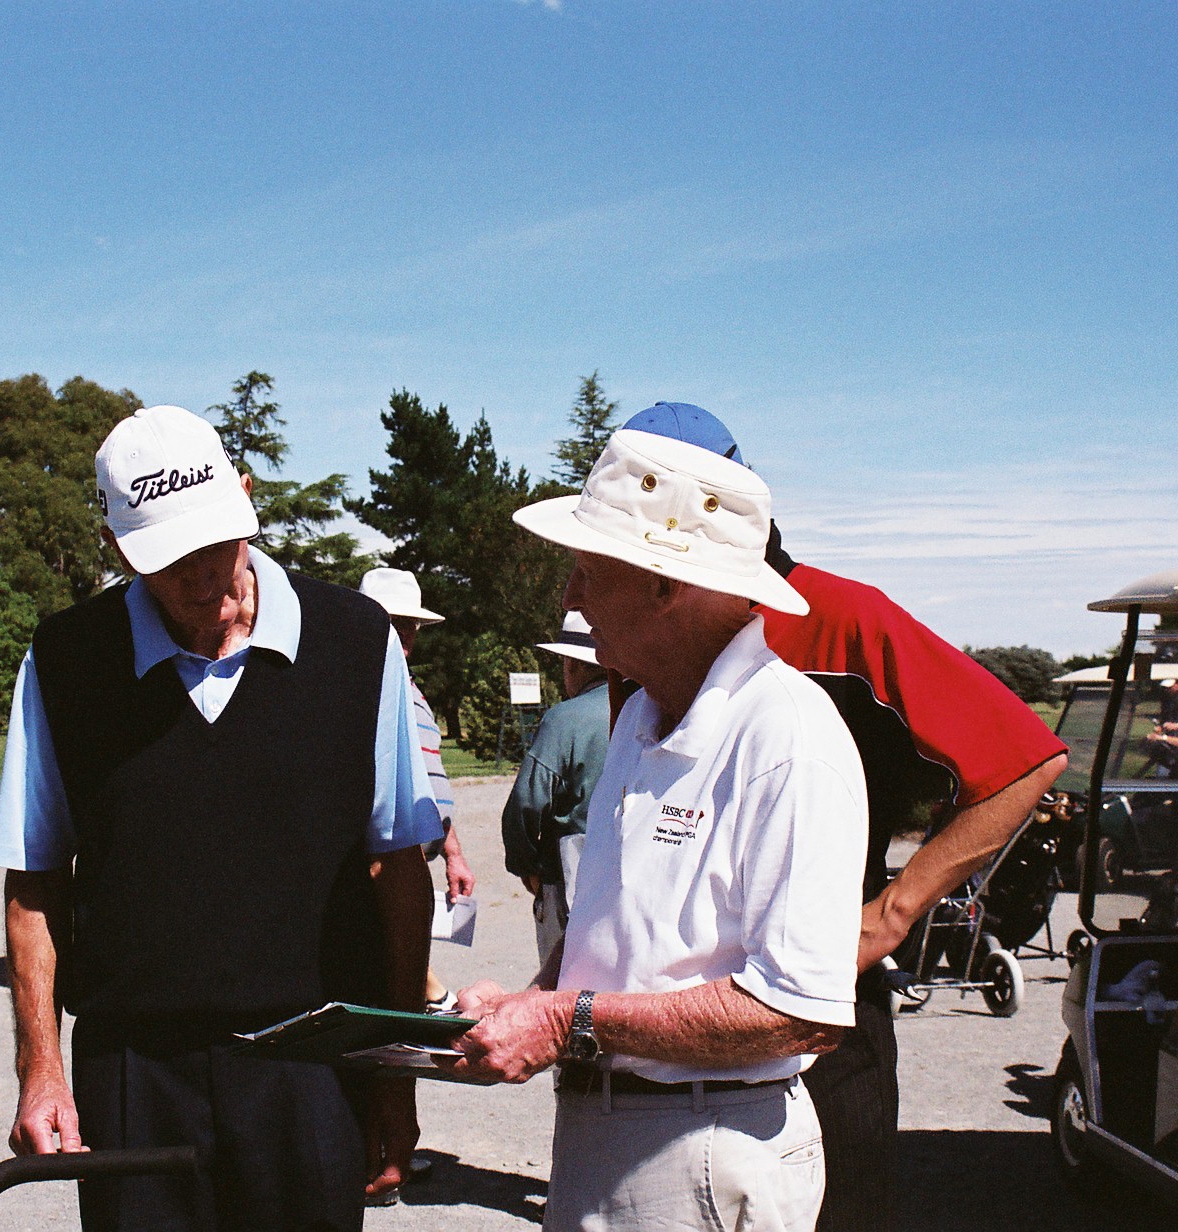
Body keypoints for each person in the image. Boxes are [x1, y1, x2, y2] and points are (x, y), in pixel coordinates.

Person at [620, 401, 1068, 1232]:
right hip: (670, 1028)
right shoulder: (646, 633)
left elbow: (1025, 758)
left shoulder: (841, 617)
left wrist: (893, 913)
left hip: (822, 1014)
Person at [0, 405, 439, 1231]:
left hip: (311, 1068)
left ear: (246, 495)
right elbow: (36, 879)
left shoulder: (353, 640)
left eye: (215, 544)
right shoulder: (65, 660)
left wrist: (394, 1073)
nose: (202, 579)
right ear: (120, 547)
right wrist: (41, 1067)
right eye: (168, 559)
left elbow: (398, 867)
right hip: (136, 1073)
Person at [445, 427, 869, 1232]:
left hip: (705, 1144)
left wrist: (564, 1019)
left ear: (665, 584)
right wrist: (525, 1001)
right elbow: (636, 941)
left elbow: (799, 1010)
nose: (569, 597)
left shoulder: (787, 736)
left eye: (589, 572)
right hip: (623, 1133)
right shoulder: (641, 712)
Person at [357, 567, 476, 918]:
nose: (403, 632)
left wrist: (453, 852)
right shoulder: (356, 690)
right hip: (381, 872)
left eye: (410, 622)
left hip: (415, 865)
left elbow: (428, 778)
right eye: (392, 620)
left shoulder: (412, 691)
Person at [501, 610, 611, 966]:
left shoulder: (564, 718)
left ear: (573, 664)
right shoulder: (647, 706)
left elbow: (526, 803)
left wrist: (525, 864)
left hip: (567, 879)